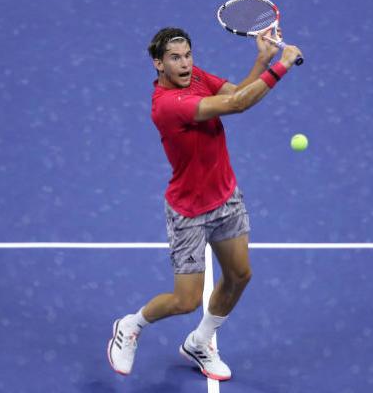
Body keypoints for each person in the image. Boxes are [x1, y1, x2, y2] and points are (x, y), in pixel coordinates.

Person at [107, 26, 303, 381]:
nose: (185, 64)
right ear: (157, 64)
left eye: (188, 55)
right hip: (189, 213)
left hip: (225, 198)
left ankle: (201, 341)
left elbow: (237, 92)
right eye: (175, 59)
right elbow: (237, 105)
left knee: (240, 275)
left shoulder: (195, 77)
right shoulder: (168, 106)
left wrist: (262, 59)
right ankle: (130, 325)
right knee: (185, 301)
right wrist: (282, 65)